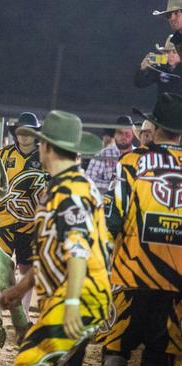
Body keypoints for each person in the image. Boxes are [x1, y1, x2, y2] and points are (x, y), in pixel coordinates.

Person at [0, 110, 111, 366]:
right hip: (74, 296)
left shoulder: (70, 191)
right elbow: (54, 251)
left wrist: (71, 303)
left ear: (47, 147)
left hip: (78, 297)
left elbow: (78, 250)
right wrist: (21, 288)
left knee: (29, 359)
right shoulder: (65, 186)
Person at [98, 93, 182, 366]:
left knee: (117, 348)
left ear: (155, 129)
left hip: (132, 274)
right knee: (163, 354)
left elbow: (112, 219)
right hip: (177, 281)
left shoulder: (131, 163)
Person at [0, 113, 47, 316]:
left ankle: (22, 315)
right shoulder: (3, 154)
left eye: (28, 132)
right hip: (3, 221)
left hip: (31, 225)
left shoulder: (45, 156)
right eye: (21, 132)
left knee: (25, 270)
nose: (24, 136)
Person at [85, 115, 134, 194]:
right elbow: (89, 180)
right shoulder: (102, 155)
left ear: (133, 134)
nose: (123, 137)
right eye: (120, 133)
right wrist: (115, 185)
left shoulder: (140, 155)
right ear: (114, 135)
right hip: (107, 203)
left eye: (127, 133)